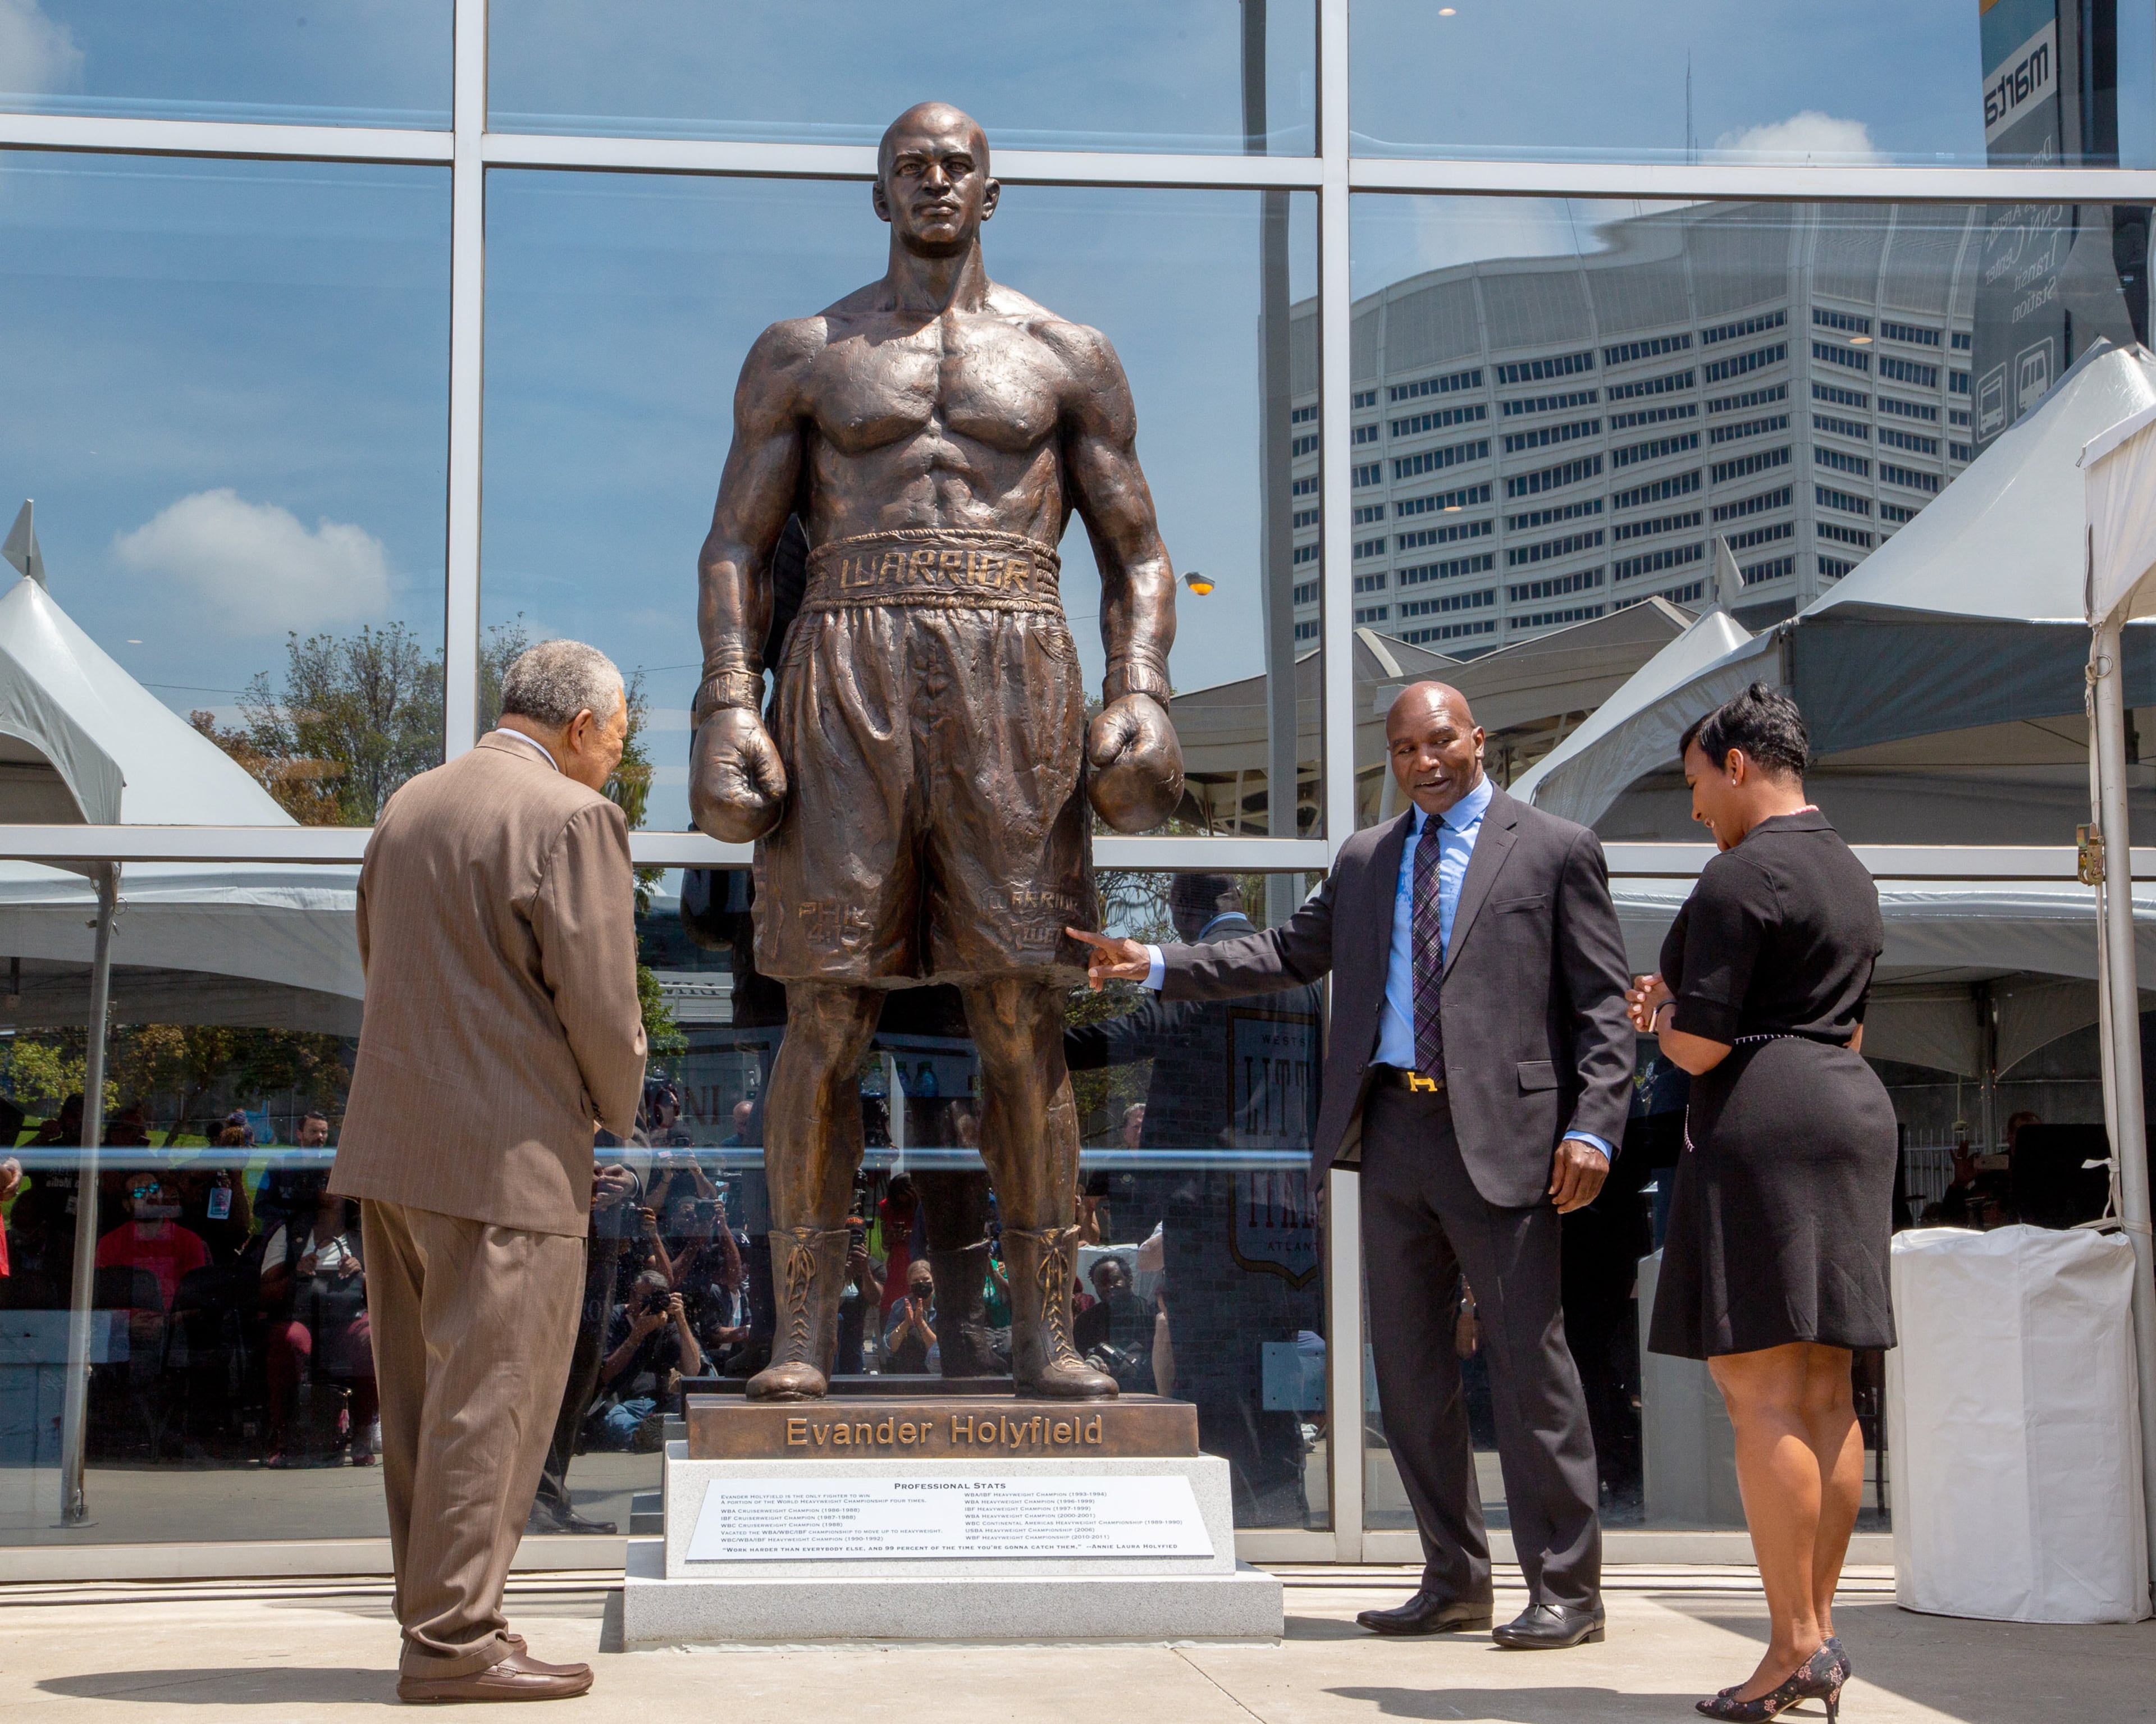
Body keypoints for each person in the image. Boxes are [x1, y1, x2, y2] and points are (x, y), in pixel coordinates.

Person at [688, 102, 1184, 1403]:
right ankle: (800, 1325)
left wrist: (1139, 683)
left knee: (1019, 1006)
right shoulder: (803, 352)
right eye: (909, 167)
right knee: (827, 1008)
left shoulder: (1066, 354)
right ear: (877, 194)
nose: (932, 183)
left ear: (992, 190)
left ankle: (1049, 1328)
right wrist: (727, 700)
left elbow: (1136, 551)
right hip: (842, 658)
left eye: (954, 166)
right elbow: (737, 544)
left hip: (1012, 662)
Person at [1071, 680, 1633, 1652]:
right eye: (1407, 748)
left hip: (1506, 1142)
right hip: (1393, 1138)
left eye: (1441, 741)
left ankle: (1567, 1589)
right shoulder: (1369, 859)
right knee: (1410, 1376)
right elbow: (1285, 951)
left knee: (1530, 1368)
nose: (1425, 761)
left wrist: (1595, 1127)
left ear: (1477, 738)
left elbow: (1602, 1009)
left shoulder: (1552, 850)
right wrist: (1154, 962)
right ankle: (1454, 1577)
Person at [328, 638, 647, 1704]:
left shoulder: (409, 802)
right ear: (576, 727)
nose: (618, 759)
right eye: (618, 737)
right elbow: (603, 1007)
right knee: (494, 1402)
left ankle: (438, 1626)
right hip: (508, 1156)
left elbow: (383, 960)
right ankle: (459, 1644)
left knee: (424, 1404)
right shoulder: (571, 818)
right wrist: (617, 1109)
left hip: (393, 1148)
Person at [1625, 683, 1891, 1722]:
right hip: (1848, 1108)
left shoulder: (1740, 877)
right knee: (1827, 1389)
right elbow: (1849, 1028)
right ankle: (1816, 1628)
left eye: (1696, 782)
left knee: (1761, 1393)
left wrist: (1662, 1018)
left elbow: (1698, 1045)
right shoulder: (1851, 872)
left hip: (1766, 1125)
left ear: (1736, 764)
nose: (1696, 807)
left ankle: (1792, 1644)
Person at [529, 1159, 642, 1535]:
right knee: (533, 1364)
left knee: (581, 1370)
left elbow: (634, 1134)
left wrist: (630, 1175)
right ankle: (530, 1498)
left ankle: (550, 1495)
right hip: (535, 1214)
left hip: (600, 1229)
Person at [881, 1260, 938, 1374]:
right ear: (909, 1284)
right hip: (908, 1369)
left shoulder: (945, 1305)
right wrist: (906, 1323)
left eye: (926, 1279)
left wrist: (920, 1323)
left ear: (934, 1280)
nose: (921, 1283)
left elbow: (939, 1351)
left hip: (938, 1368)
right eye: (916, 1281)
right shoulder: (900, 1306)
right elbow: (890, 1347)